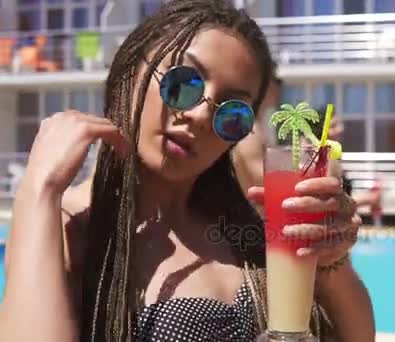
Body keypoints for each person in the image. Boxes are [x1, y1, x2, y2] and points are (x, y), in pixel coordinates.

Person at [0, 1, 375, 341]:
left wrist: (332, 264)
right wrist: (39, 189)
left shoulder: (244, 231)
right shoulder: (69, 228)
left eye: (232, 113)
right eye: (183, 84)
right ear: (129, 72)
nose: (199, 115)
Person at [231, 64, 282, 197]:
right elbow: (264, 181)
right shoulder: (250, 132)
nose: (279, 88)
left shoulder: (254, 128)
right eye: (276, 81)